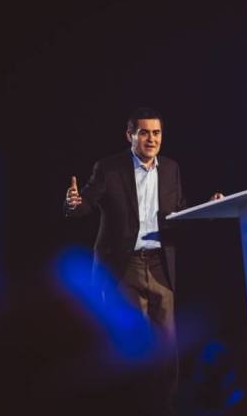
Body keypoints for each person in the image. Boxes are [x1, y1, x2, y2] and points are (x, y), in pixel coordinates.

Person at [64, 107, 220, 413]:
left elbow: (179, 213)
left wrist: (210, 208)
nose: (152, 139)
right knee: (135, 348)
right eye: (145, 132)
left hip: (162, 266)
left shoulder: (172, 168)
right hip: (126, 267)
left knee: (167, 347)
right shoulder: (109, 169)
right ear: (130, 135)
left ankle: (168, 408)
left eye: (157, 133)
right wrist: (73, 204)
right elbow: (85, 204)